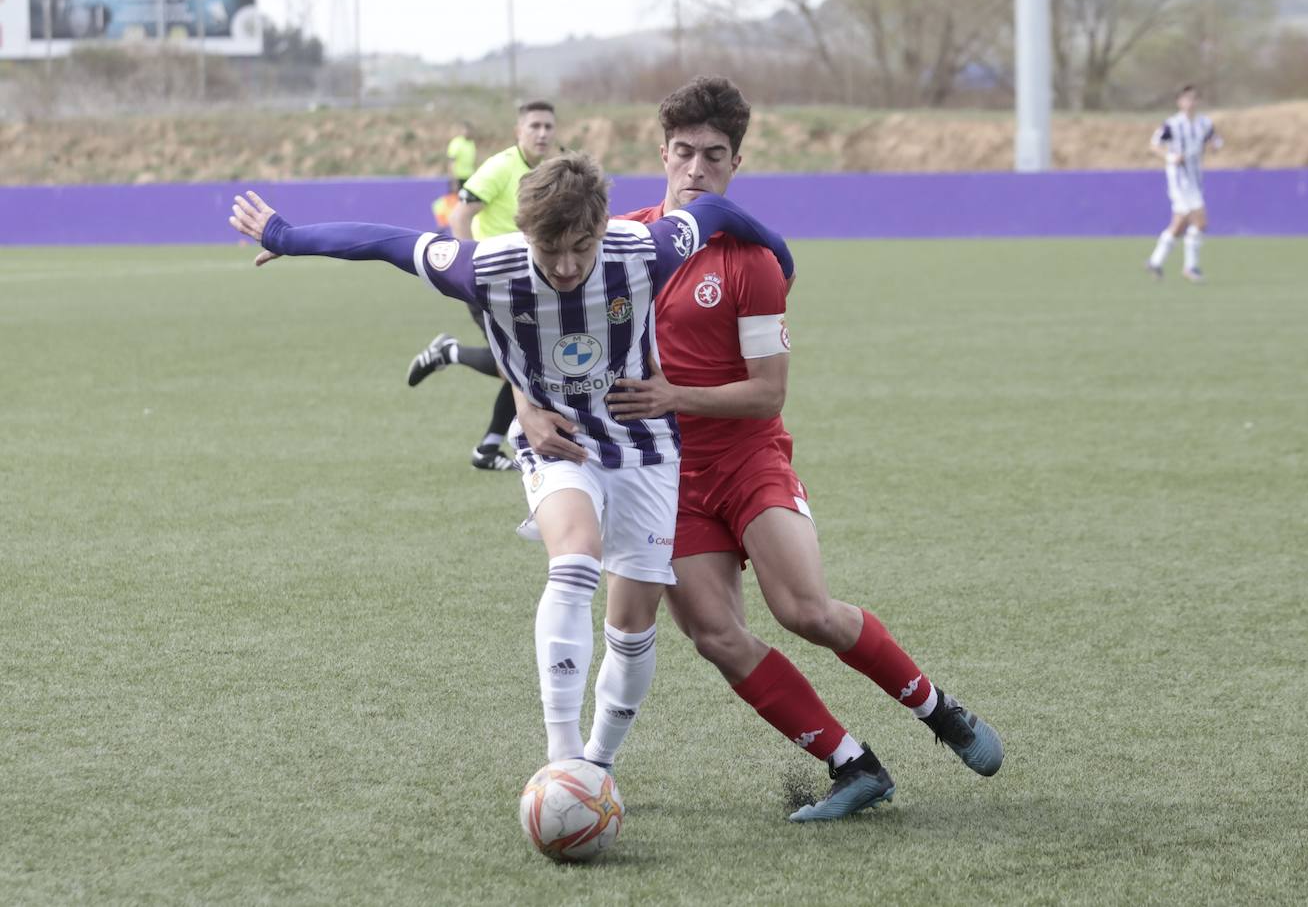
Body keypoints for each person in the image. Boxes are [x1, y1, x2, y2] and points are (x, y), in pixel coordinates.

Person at [516, 77, 1003, 823]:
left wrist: (675, 396)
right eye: (684, 153)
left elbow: (768, 393)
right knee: (715, 634)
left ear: (736, 164)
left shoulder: (752, 263)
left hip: (748, 461)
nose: (697, 169)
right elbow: (534, 336)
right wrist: (528, 404)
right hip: (663, 476)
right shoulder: (623, 246)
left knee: (804, 609)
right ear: (662, 154)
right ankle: (852, 764)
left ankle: (939, 710)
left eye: (714, 156)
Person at [227, 151, 796, 773]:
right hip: (557, 440)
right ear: (525, 234)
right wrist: (288, 237)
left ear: (602, 229)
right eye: (550, 249)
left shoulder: (643, 249)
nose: (567, 265)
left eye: (582, 246)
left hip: (644, 448)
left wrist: (777, 251)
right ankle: (562, 759)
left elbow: (711, 209)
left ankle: (598, 766)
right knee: (575, 557)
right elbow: (386, 242)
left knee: (632, 632)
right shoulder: (485, 267)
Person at [412, 101, 558, 472]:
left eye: (548, 127)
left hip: (525, 284)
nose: (542, 133)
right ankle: (450, 353)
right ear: (518, 131)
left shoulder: (546, 169)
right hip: (488, 280)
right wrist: (466, 269)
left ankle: (488, 448)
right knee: (521, 367)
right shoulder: (500, 166)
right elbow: (460, 213)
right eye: (534, 126)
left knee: (529, 365)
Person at [1146, 84, 1222, 283]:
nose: (1190, 103)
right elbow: (1154, 145)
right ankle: (1190, 267)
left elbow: (1216, 140)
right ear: (1179, 102)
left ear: (1197, 102)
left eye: (1193, 99)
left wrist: (1215, 146)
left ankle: (1155, 261)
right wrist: (1170, 156)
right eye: (1186, 99)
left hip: (1195, 179)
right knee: (1200, 221)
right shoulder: (1172, 124)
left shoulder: (1204, 123)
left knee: (1179, 224)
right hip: (1179, 180)